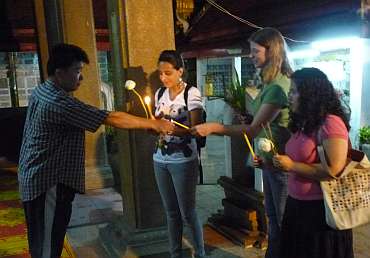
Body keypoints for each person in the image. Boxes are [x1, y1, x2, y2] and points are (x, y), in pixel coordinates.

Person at [18, 43, 174, 258]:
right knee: (47, 246)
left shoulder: (43, 90)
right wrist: (154, 124)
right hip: (47, 182)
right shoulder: (58, 102)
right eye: (77, 71)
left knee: (45, 239)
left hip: (36, 176)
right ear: (59, 72)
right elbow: (110, 117)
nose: (81, 78)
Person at [191, 27, 292, 258]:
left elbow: (255, 129)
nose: (250, 55)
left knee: (284, 223)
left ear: (272, 52)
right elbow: (260, 123)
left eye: (255, 51)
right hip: (270, 162)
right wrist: (249, 118)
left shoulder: (278, 86)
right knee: (274, 221)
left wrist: (214, 128)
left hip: (282, 165)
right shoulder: (270, 83)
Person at [272, 67, 354, 258]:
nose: (289, 96)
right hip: (296, 207)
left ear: (310, 92)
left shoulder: (331, 123)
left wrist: (291, 166)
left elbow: (334, 169)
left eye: (294, 91)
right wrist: (273, 163)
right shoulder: (304, 121)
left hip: (320, 213)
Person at [153, 50, 205, 258]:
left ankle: (200, 253)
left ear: (180, 71)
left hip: (183, 160)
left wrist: (171, 129)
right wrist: (153, 126)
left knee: (188, 212)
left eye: (168, 73)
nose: (163, 78)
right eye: (160, 73)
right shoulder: (159, 94)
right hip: (159, 159)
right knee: (171, 212)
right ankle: (175, 254)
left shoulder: (191, 93)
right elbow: (157, 123)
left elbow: (196, 128)